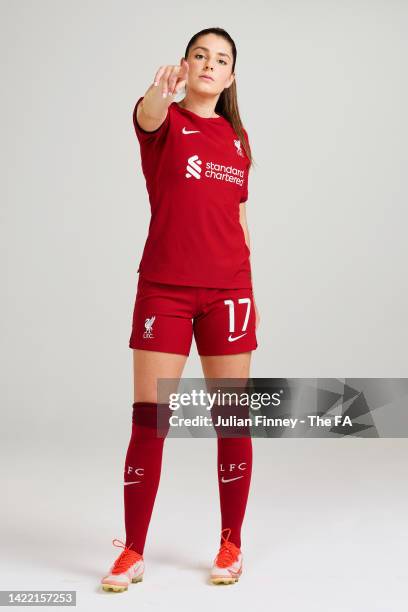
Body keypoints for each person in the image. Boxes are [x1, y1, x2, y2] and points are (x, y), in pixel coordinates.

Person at [101, 26, 260, 591]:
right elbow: (145, 116)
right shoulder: (164, 122)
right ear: (186, 65)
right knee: (150, 420)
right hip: (165, 290)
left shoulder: (238, 140)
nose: (211, 65)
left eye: (222, 59)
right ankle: (133, 550)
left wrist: (249, 286)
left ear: (231, 75)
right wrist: (157, 94)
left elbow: (239, 220)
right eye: (201, 56)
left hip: (228, 293)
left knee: (233, 420)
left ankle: (231, 542)